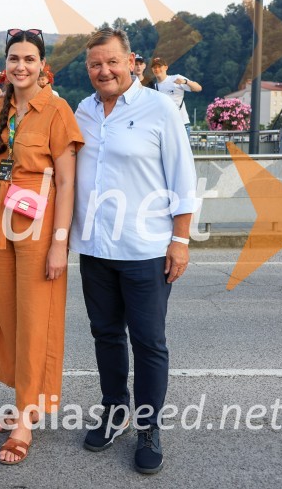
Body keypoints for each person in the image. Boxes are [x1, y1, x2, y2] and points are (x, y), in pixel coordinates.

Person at [72, 29, 198, 475]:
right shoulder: (83, 111)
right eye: (95, 64)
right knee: (105, 334)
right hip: (94, 247)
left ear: (130, 62)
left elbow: (183, 177)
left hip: (146, 248)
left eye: (112, 62)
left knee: (148, 341)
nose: (104, 70)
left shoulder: (159, 108)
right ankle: (115, 410)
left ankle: (148, 427)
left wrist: (180, 241)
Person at [0, 29, 84, 465]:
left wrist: (60, 243)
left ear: (42, 65)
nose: (20, 66)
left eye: (29, 59)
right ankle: (23, 400)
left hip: (38, 220)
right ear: (5, 64)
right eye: (14, 58)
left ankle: (26, 420)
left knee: (35, 320)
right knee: (8, 317)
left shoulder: (57, 110)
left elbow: (67, 182)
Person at [150, 56, 202, 134]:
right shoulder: (153, 88)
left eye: (159, 66)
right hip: (165, 127)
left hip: (181, 124)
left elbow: (198, 88)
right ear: (152, 70)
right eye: (154, 67)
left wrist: (185, 82)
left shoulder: (176, 78)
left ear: (166, 67)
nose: (157, 69)